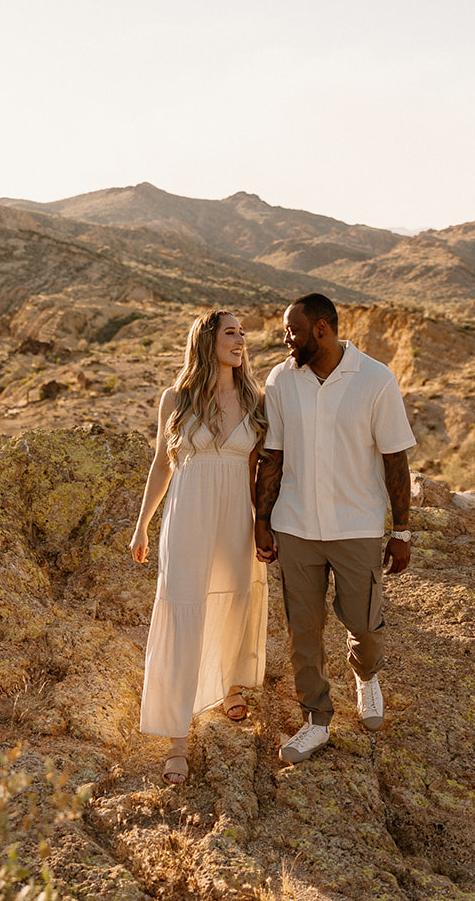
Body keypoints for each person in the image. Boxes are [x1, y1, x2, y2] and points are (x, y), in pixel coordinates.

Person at [253, 292, 415, 764]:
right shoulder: (282, 380)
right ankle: (316, 721)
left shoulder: (375, 379)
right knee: (304, 630)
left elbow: (394, 458)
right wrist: (263, 521)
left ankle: (366, 675)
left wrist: (401, 530)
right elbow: (274, 456)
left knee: (364, 623)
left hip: (356, 525)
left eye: (293, 330)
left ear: (321, 328)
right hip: (296, 525)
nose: (286, 339)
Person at [130, 309, 269, 785]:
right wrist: (141, 526)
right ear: (207, 340)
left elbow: (258, 473)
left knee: (235, 598)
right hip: (187, 515)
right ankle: (176, 738)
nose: (241, 339)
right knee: (184, 605)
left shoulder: (255, 399)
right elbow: (160, 465)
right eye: (231, 332)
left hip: (237, 517)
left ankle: (229, 683)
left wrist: (265, 526)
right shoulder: (177, 398)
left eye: (243, 333)